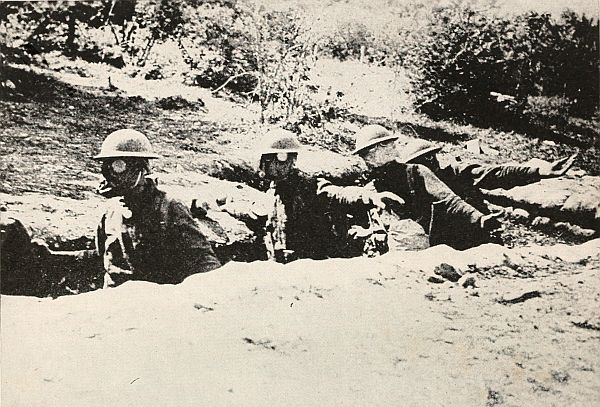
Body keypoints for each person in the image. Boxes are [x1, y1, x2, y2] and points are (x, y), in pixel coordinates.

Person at [219, 128, 398, 262]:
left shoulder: (307, 185)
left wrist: (369, 197)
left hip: (308, 270)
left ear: (283, 159)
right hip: (281, 266)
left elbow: (337, 194)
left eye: (267, 161)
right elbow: (256, 212)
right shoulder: (274, 191)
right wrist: (228, 206)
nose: (262, 167)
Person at [93, 129, 221, 287]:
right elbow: (100, 258)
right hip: (116, 302)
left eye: (118, 165)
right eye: (106, 166)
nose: (109, 174)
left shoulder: (169, 207)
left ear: (141, 168)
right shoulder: (110, 211)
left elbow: (205, 263)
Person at [357, 125, 577, 213]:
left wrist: (538, 171)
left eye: (434, 158)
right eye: (427, 159)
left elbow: (494, 174)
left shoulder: (451, 173)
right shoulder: (403, 179)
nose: (433, 163)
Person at [347, 124, 501, 250]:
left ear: (383, 149)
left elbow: (448, 200)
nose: (366, 159)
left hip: (428, 246)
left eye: (368, 153)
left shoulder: (415, 172)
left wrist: (478, 219)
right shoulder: (370, 188)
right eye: (363, 155)